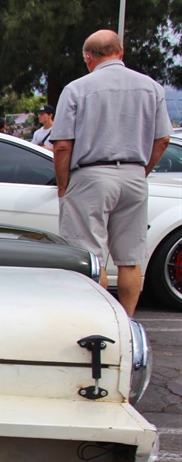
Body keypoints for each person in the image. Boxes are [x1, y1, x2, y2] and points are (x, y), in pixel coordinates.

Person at [51, 29, 172, 317]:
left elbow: (62, 146)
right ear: (121, 51)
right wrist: (141, 171)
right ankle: (126, 321)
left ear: (88, 57)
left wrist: (63, 185)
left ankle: (99, 320)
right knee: (130, 260)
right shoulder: (152, 88)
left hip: (91, 175)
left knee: (90, 258)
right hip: (133, 174)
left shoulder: (76, 89)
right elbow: (163, 139)